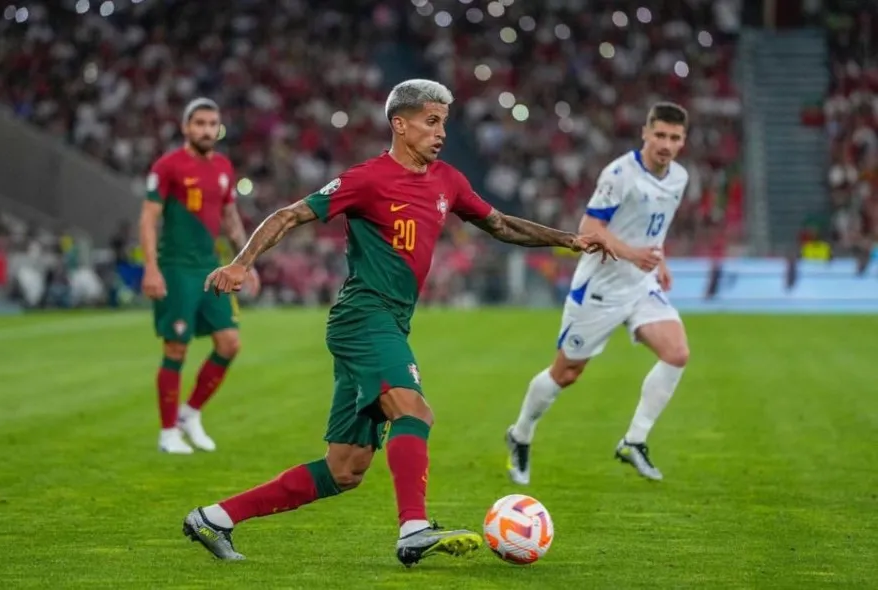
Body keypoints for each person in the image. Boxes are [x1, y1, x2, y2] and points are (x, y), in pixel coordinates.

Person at [181, 79, 615, 566]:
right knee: (414, 411)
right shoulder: (367, 179)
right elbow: (289, 214)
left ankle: (213, 518)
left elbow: (500, 224)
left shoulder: (448, 180)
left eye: (444, 123)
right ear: (400, 124)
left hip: (387, 323)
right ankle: (413, 528)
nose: (441, 133)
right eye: (432, 122)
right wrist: (242, 262)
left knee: (344, 469)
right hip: (364, 317)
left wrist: (569, 239)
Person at [506, 102, 692, 483]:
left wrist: (660, 261)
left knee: (677, 353)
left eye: (674, 138)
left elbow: (655, 228)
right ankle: (520, 433)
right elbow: (589, 227)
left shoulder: (679, 178)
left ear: (683, 141)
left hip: (641, 284)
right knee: (567, 372)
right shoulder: (619, 174)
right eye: (659, 135)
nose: (666, 144)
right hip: (601, 287)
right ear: (645, 133)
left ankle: (634, 441)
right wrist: (634, 254)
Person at [139, 98, 261, 455]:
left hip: (211, 267)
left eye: (212, 124)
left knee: (229, 343)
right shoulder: (168, 166)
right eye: (200, 123)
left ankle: (189, 414)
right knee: (176, 347)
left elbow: (231, 218)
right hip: (176, 268)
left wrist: (246, 262)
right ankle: (166, 434)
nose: (207, 130)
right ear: (186, 127)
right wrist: (151, 266)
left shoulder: (223, 166)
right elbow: (148, 218)